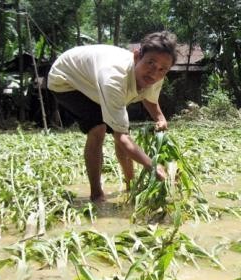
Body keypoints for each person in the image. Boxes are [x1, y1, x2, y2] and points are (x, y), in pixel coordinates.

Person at [48, 31, 177, 203]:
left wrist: (160, 118)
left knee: (122, 130)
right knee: (99, 129)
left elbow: (150, 98)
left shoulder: (157, 73)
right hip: (67, 79)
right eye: (150, 63)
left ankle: (131, 185)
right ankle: (97, 195)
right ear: (137, 56)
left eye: (162, 69)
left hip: (93, 79)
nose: (154, 73)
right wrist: (152, 166)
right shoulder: (114, 77)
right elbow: (121, 137)